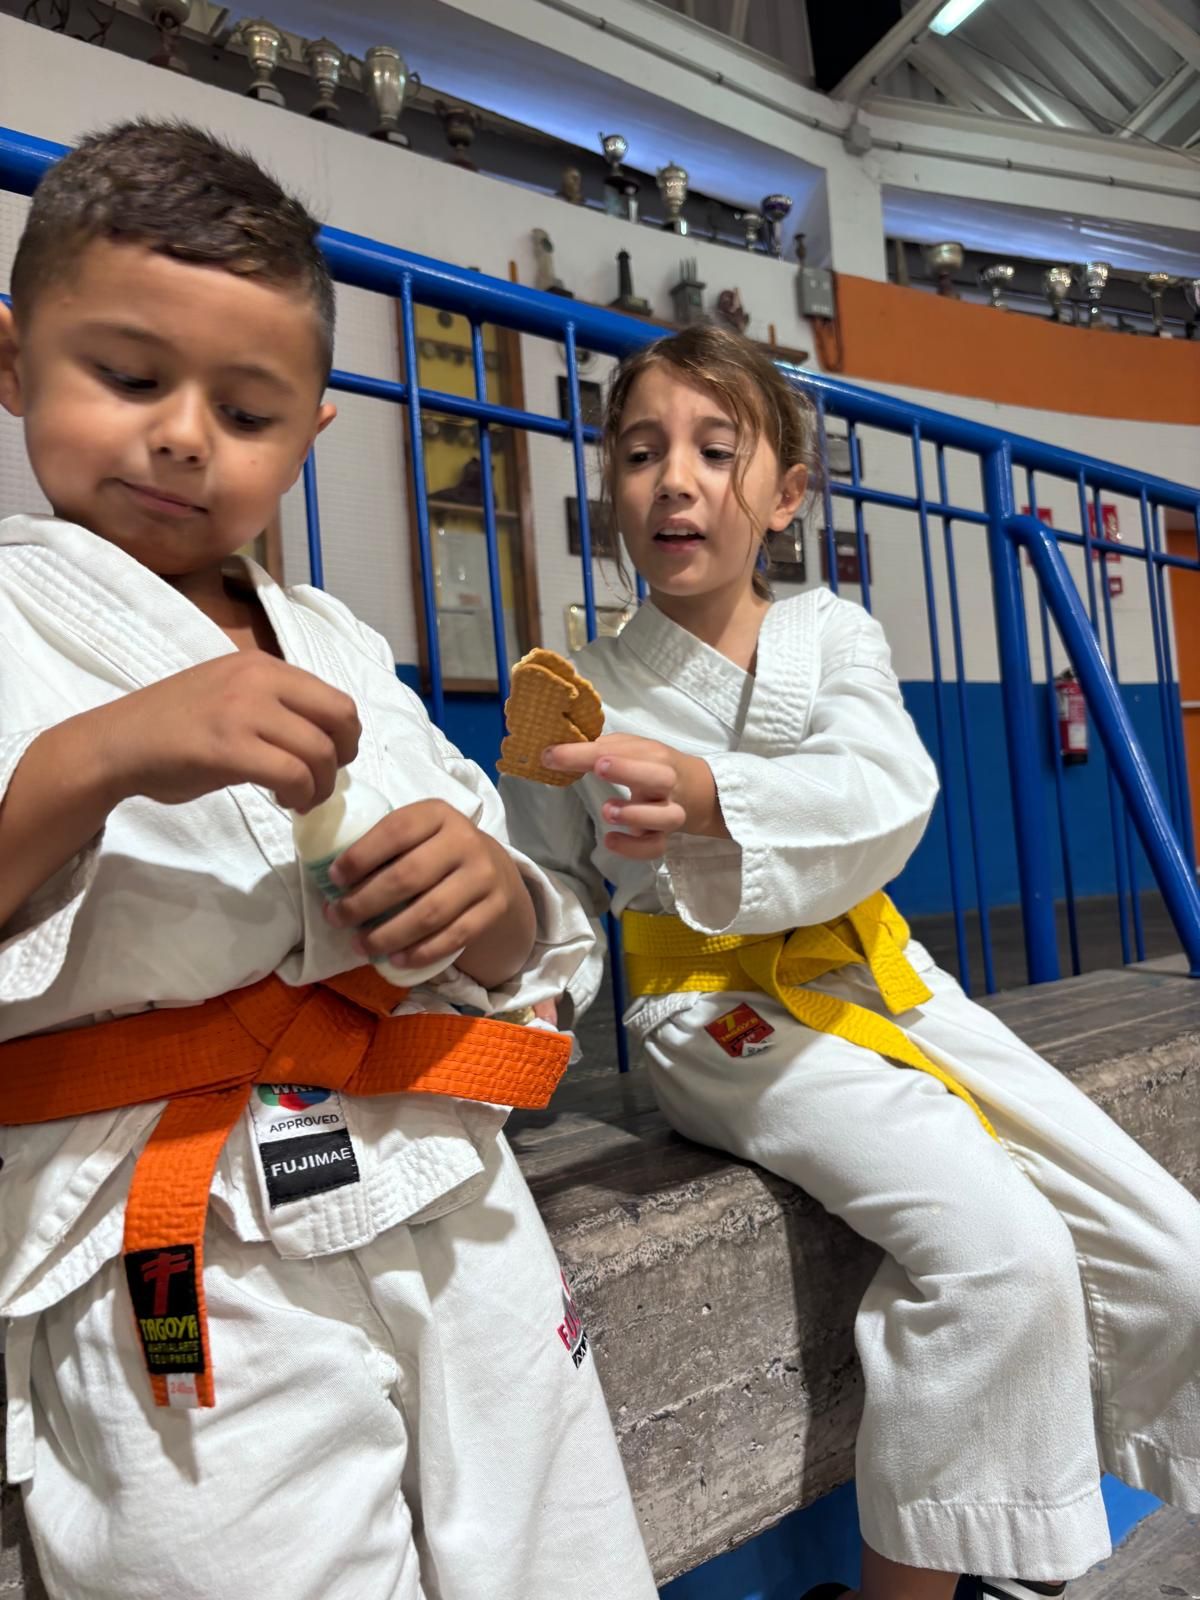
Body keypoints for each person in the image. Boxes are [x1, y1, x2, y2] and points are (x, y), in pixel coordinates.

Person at [0, 120, 657, 1600]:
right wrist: (94, 758)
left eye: (245, 411)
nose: (182, 434)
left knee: (570, 1563)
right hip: (164, 1236)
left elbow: (520, 943)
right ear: (12, 362)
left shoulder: (343, 643)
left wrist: (492, 902)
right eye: (127, 376)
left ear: (311, 434)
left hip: (437, 1176)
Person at [501, 324, 1200, 1600]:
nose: (677, 479)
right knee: (1001, 1255)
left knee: (1173, 1251)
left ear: (788, 490)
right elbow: (543, 878)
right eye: (642, 449)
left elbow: (889, 791)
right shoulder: (579, 685)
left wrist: (715, 795)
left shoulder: (838, 638)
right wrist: (530, 981)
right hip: (715, 1012)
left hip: (888, 978)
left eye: (719, 449)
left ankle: (1011, 1538)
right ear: (608, 484)